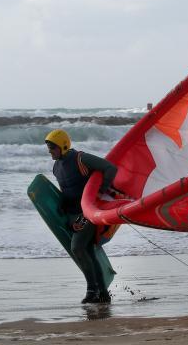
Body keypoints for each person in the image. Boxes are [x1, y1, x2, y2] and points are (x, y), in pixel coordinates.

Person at [45, 128, 119, 304]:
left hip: (86, 212)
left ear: (63, 146)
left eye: (52, 148)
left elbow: (110, 168)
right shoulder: (56, 167)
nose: (49, 151)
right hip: (71, 215)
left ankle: (91, 290)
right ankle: (103, 294)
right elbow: (65, 189)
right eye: (48, 148)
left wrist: (99, 193)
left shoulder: (80, 158)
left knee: (77, 247)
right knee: (87, 252)